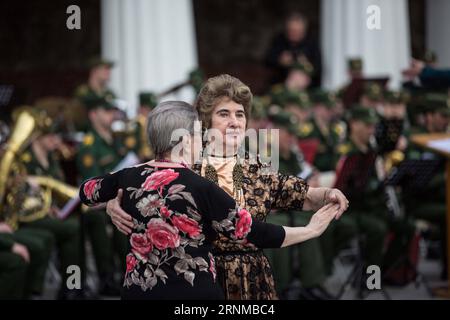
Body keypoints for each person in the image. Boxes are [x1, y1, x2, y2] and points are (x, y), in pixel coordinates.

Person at [106, 74, 348, 300]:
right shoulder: (185, 165)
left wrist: (328, 194)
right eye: (224, 114)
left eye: (240, 114)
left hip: (253, 278)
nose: (234, 122)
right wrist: (113, 202)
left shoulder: (256, 165)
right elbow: (133, 182)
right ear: (206, 121)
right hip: (201, 279)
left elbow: (299, 194)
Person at [76, 95, 129, 295]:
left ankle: (130, 272)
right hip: (98, 203)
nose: (111, 115)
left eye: (111, 110)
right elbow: (92, 182)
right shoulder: (89, 144)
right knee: (100, 219)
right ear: (93, 115)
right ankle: (107, 277)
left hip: (121, 197)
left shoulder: (116, 139)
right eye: (106, 111)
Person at [265, 12, 322, 87]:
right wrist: (280, 60)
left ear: (304, 31)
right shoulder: (280, 40)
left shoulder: (311, 43)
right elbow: (267, 59)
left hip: (307, 87)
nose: (294, 34)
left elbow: (318, 68)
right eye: (291, 31)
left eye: (297, 31)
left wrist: (307, 66)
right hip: (280, 83)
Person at [74, 57, 116, 132]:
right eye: (105, 69)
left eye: (109, 69)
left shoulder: (110, 94)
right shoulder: (83, 93)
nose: (108, 72)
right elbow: (77, 116)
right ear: (94, 71)